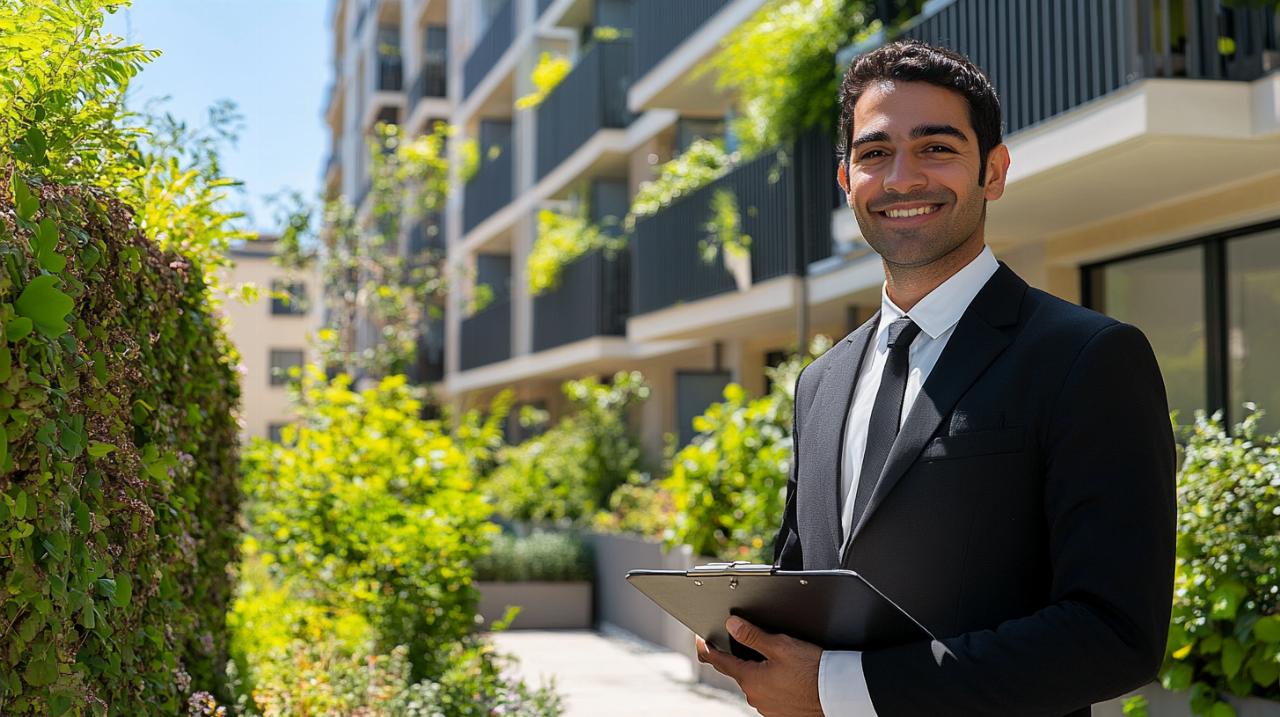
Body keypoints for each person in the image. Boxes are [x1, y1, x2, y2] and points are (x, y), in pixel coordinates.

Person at [696, 39, 1176, 717]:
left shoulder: (1089, 357)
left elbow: (1116, 631)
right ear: (847, 181)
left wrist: (842, 690)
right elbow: (812, 578)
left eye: (936, 147)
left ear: (995, 170)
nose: (901, 179)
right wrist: (746, 632)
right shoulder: (820, 382)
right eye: (874, 153)